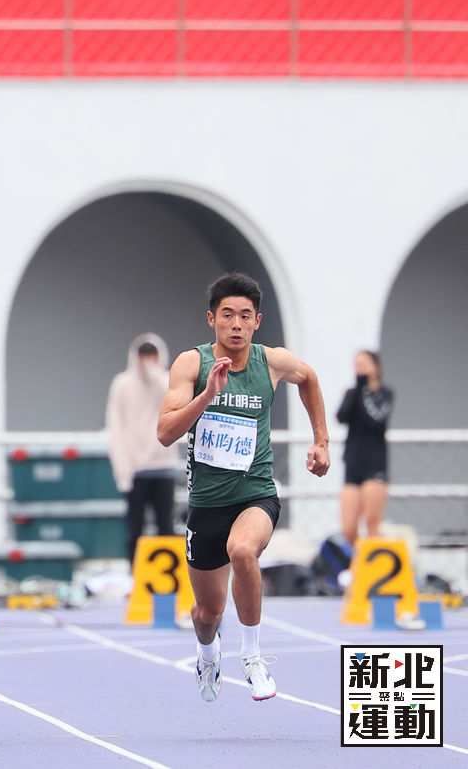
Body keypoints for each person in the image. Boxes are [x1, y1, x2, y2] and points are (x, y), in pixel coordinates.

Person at [157, 272, 329, 704]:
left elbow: (309, 378)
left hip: (255, 493)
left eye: (245, 316)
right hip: (207, 504)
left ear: (257, 322)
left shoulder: (271, 362)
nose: (236, 324)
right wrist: (207, 395)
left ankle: (251, 656)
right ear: (212, 319)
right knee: (207, 614)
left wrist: (321, 441)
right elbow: (164, 433)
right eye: (228, 315)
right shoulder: (191, 364)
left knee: (243, 551)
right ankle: (207, 652)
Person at [106, 333, 178, 561]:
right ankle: (135, 573)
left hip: (163, 466)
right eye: (143, 355)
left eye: (152, 355)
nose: (147, 360)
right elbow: (116, 427)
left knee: (165, 526)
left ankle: (164, 576)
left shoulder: (167, 380)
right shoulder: (122, 384)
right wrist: (123, 470)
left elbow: (175, 401)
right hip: (136, 468)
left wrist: (155, 374)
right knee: (134, 528)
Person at [337, 350, 394, 546]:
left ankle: (375, 559)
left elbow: (376, 419)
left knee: (372, 523)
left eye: (364, 364)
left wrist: (367, 391)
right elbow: (341, 416)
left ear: (376, 368)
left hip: (375, 463)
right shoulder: (352, 394)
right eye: (357, 364)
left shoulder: (385, 394)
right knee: (348, 528)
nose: (360, 368)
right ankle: (355, 559)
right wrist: (359, 390)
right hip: (353, 463)